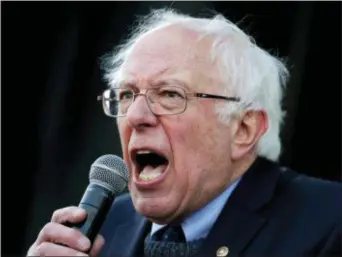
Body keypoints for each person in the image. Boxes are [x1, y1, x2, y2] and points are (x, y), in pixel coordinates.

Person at [27, 8, 341, 257]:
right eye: (126, 94)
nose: (135, 115)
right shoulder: (101, 228)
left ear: (244, 129)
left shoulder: (329, 222)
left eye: (169, 94)